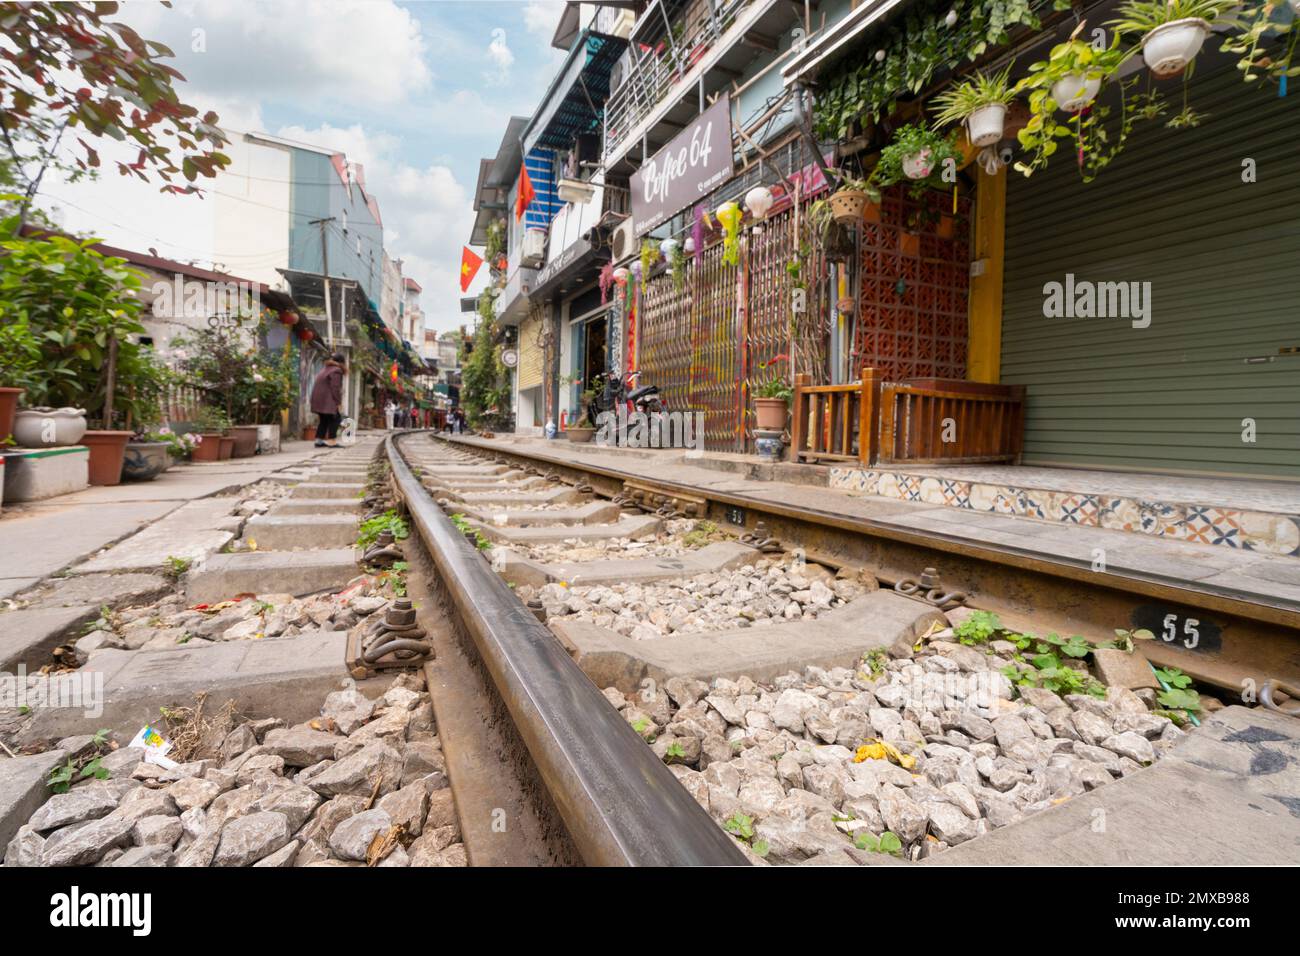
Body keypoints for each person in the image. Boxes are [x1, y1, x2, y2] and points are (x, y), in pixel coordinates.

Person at [309, 353, 346, 448]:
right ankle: (331, 441)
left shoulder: (325, 368)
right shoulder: (337, 370)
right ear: (342, 363)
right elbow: (335, 387)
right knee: (336, 418)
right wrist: (338, 402)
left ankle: (319, 440)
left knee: (324, 419)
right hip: (327, 400)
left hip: (318, 399)